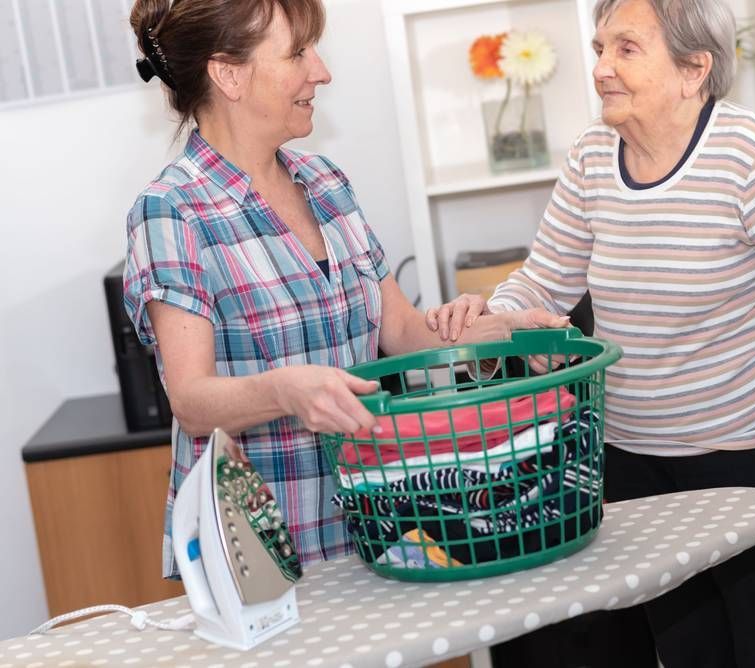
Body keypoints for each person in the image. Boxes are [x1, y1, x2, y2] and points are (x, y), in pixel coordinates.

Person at [426, 0, 755, 665]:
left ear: (693, 70)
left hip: (754, 449)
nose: (600, 70)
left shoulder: (744, 155)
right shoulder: (594, 156)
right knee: (686, 651)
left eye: (626, 49)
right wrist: (490, 317)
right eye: (598, 49)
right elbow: (542, 282)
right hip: (635, 457)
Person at [123, 0, 564, 579]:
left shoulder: (326, 183)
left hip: (375, 528)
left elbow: (404, 333)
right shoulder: (172, 211)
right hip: (259, 553)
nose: (321, 71)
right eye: (298, 53)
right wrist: (286, 391)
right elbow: (192, 400)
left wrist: (504, 333)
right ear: (228, 74)